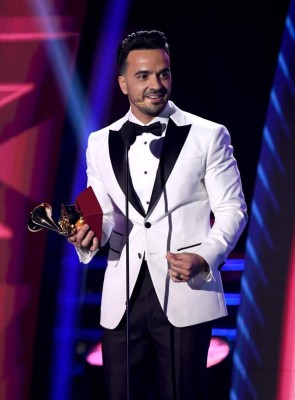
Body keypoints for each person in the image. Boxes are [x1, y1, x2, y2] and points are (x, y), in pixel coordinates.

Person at [68, 30, 248, 400]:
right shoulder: (99, 142)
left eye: (163, 74)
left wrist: (205, 256)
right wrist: (87, 234)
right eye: (143, 76)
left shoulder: (209, 135)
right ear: (122, 83)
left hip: (185, 288)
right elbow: (102, 213)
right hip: (123, 295)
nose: (156, 84)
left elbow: (232, 209)